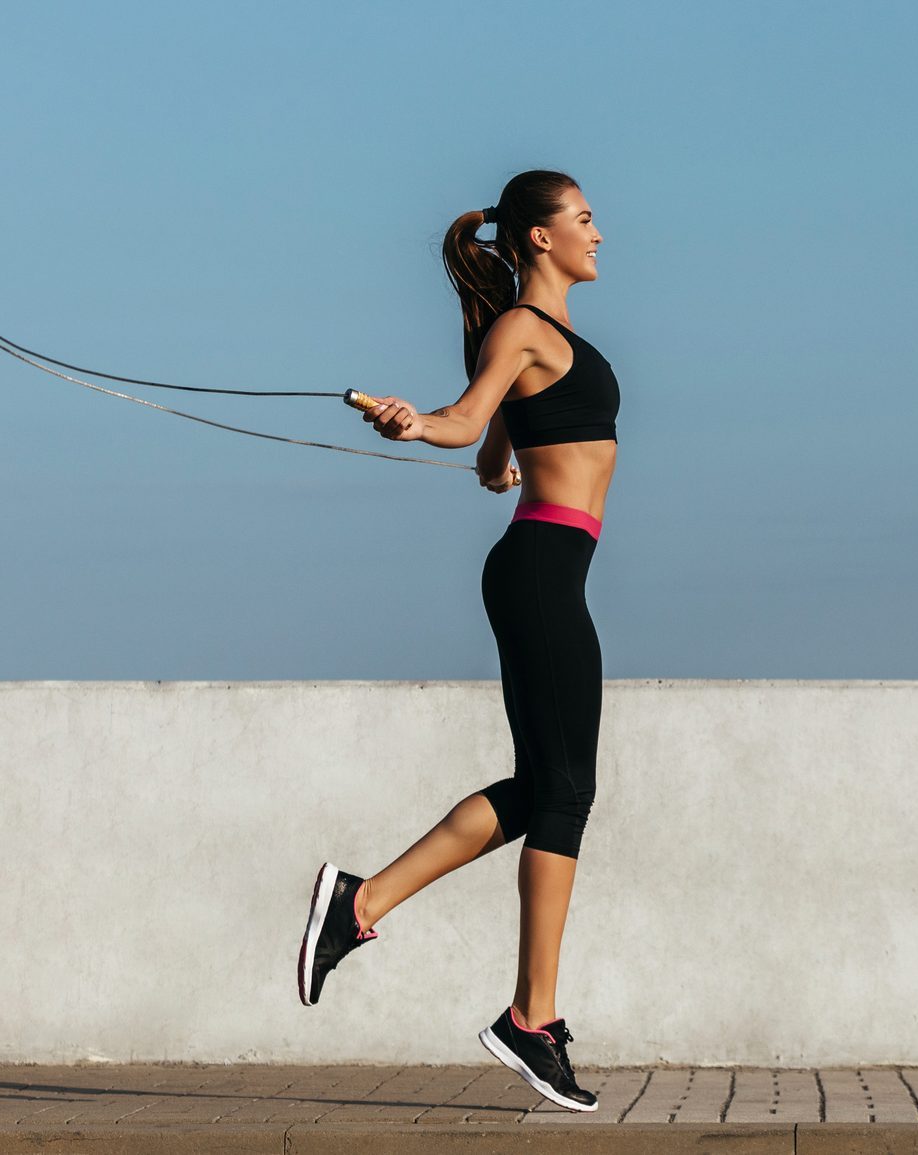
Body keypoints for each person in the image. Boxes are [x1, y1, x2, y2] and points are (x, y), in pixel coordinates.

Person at [295, 169, 616, 1112]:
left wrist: (494, 461)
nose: (600, 234)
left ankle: (357, 905)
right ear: (539, 239)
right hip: (541, 568)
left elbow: (493, 437)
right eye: (585, 220)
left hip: (551, 566)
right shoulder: (523, 326)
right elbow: (467, 418)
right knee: (564, 792)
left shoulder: (539, 338)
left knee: (546, 786)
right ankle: (530, 1018)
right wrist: (416, 423)